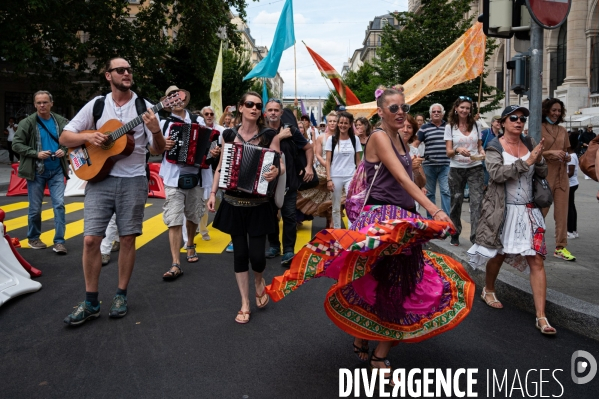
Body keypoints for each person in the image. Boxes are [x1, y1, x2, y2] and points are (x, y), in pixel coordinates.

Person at [266, 87, 474, 375]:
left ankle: (373, 344)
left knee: (399, 284)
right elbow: (401, 180)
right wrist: (436, 211)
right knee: (382, 283)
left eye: (404, 107)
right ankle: (370, 343)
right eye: (393, 108)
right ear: (380, 112)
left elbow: (414, 179)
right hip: (382, 221)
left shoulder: (402, 138)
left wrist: (418, 170)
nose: (400, 112)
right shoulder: (378, 137)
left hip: (404, 220)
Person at [59, 57, 166, 325]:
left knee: (128, 239)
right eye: (121, 70)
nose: (127, 73)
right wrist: (88, 137)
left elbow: (158, 149)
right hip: (98, 179)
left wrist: (156, 131)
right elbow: (65, 137)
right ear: (109, 76)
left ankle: (120, 294)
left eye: (129, 69)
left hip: (133, 181)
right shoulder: (97, 104)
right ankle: (91, 301)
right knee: (90, 240)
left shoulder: (146, 107)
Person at [468, 105, 556, 334]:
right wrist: (526, 162)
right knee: (499, 254)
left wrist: (539, 158)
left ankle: (541, 316)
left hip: (528, 211)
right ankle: (488, 289)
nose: (519, 122)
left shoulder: (529, 142)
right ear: (504, 122)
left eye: (523, 118)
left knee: (536, 260)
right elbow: (496, 174)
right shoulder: (494, 146)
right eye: (514, 118)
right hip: (503, 210)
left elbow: (542, 173)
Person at [207, 91, 282, 324]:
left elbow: (279, 166)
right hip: (233, 202)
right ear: (240, 108)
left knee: (258, 257)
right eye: (249, 104)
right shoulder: (228, 134)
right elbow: (220, 167)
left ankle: (259, 280)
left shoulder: (270, 136)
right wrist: (212, 193)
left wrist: (275, 172)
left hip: (259, 204)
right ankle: (244, 303)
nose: (254, 108)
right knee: (240, 254)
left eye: (258, 106)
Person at [155, 86, 207, 281]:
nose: (176, 100)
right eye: (172, 98)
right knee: (174, 218)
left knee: (194, 215)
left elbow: (208, 143)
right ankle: (176, 262)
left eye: (179, 97)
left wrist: (213, 150)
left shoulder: (197, 120)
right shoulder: (163, 123)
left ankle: (191, 243)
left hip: (195, 174)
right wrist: (163, 145)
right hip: (173, 177)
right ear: (167, 103)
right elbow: (153, 147)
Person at [12, 90, 69, 254]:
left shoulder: (60, 121)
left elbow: (71, 138)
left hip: (57, 170)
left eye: (45, 102)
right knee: (35, 208)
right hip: (36, 171)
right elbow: (16, 144)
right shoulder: (27, 123)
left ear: (51, 103)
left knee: (59, 205)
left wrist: (63, 150)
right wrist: (35, 153)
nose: (42, 105)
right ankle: (33, 238)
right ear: (35, 104)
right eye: (39, 103)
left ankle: (59, 242)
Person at [264, 98, 313, 267]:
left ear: (281, 113)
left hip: (289, 181)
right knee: (270, 216)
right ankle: (274, 246)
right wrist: (278, 136)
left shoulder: (291, 130)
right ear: (265, 112)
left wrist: (309, 167)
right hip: (268, 182)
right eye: (270, 110)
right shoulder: (261, 131)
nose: (273, 113)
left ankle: (289, 250)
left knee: (289, 216)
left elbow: (308, 148)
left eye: (276, 110)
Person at [444, 96, 485, 246]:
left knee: (477, 202)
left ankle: (476, 238)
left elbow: (479, 146)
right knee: (456, 202)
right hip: (456, 169)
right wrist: (457, 149)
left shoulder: (476, 125)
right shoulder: (450, 126)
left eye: (467, 108)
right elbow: (448, 152)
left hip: (475, 167)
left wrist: (482, 151)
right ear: (456, 108)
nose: (464, 110)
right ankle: (455, 233)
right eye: (462, 107)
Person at [540, 98, 575, 261]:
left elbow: (566, 150)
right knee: (541, 213)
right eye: (553, 110)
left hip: (562, 176)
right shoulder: (538, 127)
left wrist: (567, 157)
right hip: (545, 175)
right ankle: (534, 243)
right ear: (546, 110)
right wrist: (550, 153)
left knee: (562, 214)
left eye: (559, 111)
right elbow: (531, 152)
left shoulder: (562, 130)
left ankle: (561, 247)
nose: (556, 113)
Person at [296, 112, 337, 228]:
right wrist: (325, 164)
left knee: (335, 198)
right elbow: (317, 154)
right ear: (327, 122)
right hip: (322, 171)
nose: (333, 123)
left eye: (335, 121)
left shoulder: (342, 137)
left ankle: (331, 224)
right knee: (306, 190)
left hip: (337, 172)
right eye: (331, 121)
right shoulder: (321, 137)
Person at [412, 103, 451, 217]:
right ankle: (431, 218)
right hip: (429, 165)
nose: (436, 113)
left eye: (438, 111)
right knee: (429, 193)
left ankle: (446, 218)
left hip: (446, 164)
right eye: (434, 112)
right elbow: (415, 143)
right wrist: (412, 155)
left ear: (443, 114)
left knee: (446, 192)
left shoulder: (448, 126)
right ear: (430, 114)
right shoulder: (424, 128)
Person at [325, 111, 362, 229]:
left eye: (346, 123)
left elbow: (358, 161)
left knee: (352, 204)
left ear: (350, 124)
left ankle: (352, 230)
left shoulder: (355, 139)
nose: (343, 125)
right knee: (335, 206)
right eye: (340, 122)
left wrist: (358, 177)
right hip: (335, 176)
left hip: (350, 176)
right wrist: (328, 179)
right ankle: (337, 229)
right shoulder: (331, 140)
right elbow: (328, 161)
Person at [197, 105, 224, 241]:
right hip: (193, 169)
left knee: (205, 201)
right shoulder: (197, 128)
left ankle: (203, 230)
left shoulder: (220, 131)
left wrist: (218, 152)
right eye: (206, 114)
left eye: (211, 114)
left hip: (210, 169)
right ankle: (188, 237)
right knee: (190, 203)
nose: (208, 116)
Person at [481, 115, 502, 188]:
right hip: (485, 163)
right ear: (492, 123)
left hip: (496, 163)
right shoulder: (486, 132)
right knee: (485, 184)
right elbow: (478, 144)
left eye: (501, 122)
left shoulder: (501, 135)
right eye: (498, 122)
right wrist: (482, 152)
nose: (499, 123)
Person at [567, 133, 579, 239]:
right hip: (573, 183)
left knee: (569, 207)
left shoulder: (571, 156)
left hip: (570, 184)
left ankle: (570, 231)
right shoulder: (573, 155)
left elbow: (570, 172)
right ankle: (574, 230)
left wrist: (560, 176)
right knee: (572, 206)